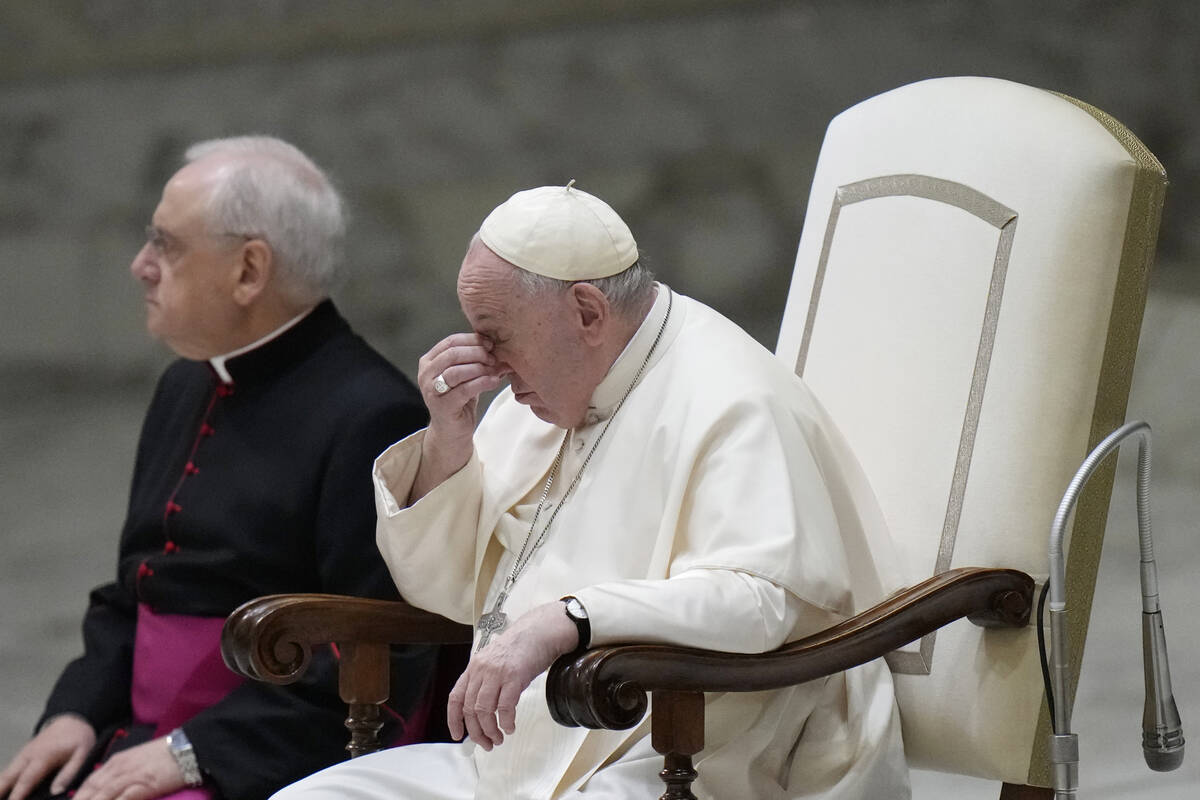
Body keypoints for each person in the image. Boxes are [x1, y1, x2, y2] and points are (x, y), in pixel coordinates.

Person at [276, 183, 909, 798]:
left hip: (676, 755)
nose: (485, 360)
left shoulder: (735, 397)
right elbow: (446, 587)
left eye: (496, 335)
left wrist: (569, 619)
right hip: (509, 760)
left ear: (587, 312)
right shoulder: (544, 392)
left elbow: (764, 599)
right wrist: (448, 440)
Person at [0, 137, 444, 800]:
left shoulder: (373, 416)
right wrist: (75, 711)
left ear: (248, 271)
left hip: (268, 758)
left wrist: (192, 752)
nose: (140, 266)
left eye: (166, 245)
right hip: (142, 731)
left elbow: (377, 654)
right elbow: (135, 589)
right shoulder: (185, 386)